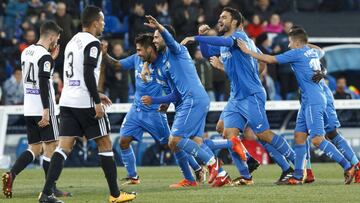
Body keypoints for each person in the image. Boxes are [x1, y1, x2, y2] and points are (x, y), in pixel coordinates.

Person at [182, 7, 296, 185]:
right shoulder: (229, 42)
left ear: (235, 22)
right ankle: (247, 173)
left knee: (263, 134)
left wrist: (195, 38)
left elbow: (260, 63)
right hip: (236, 97)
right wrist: (202, 38)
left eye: (224, 17)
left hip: (251, 95)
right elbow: (207, 53)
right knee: (225, 131)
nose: (220, 19)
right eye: (219, 16)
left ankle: (296, 166)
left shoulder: (240, 38)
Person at [37, 6, 136, 203]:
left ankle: (46, 193)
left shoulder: (73, 40)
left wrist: (96, 92)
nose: (104, 24)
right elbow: (88, 72)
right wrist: (96, 100)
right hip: (85, 103)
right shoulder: (93, 43)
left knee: (63, 146)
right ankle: (115, 195)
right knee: (105, 143)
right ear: (94, 23)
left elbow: (77, 74)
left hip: (67, 100)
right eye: (102, 20)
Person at [237, 27, 356, 185]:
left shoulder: (297, 53)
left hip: (314, 99)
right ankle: (299, 175)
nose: (288, 45)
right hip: (309, 99)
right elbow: (320, 50)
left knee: (317, 139)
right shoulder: (311, 51)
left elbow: (270, 59)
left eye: (291, 42)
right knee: (299, 136)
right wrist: (306, 44)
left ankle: (348, 166)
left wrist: (248, 51)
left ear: (298, 43)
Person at [144, 15, 222, 185]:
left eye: (157, 37)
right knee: (193, 142)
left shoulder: (177, 49)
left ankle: (213, 163)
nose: (154, 40)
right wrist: (164, 102)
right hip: (192, 100)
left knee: (175, 140)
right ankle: (215, 174)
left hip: (192, 99)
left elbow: (170, 41)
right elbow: (174, 92)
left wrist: (159, 26)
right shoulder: (164, 61)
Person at [1, 20, 71, 199]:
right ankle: (50, 190)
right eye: (57, 38)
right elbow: (42, 82)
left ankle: (12, 174)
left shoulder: (26, 52)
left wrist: (51, 60)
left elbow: (37, 74)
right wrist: (47, 110)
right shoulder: (45, 57)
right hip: (42, 109)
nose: (57, 42)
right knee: (51, 147)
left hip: (29, 107)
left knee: (34, 148)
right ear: (52, 37)